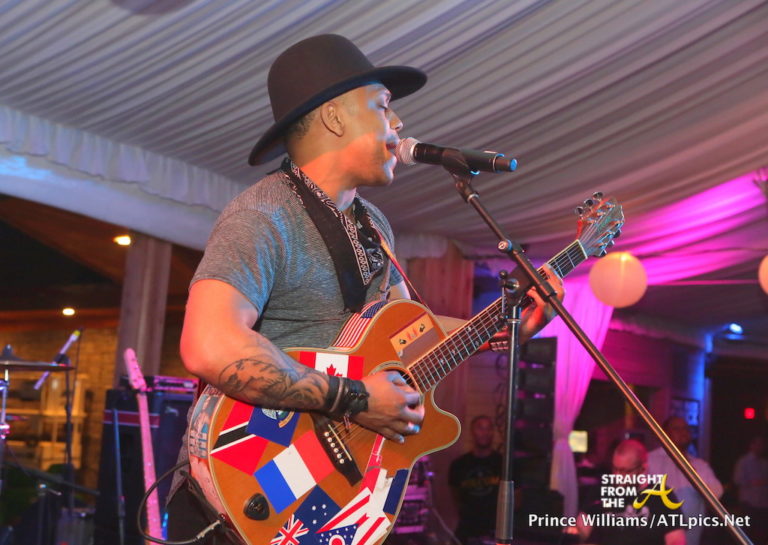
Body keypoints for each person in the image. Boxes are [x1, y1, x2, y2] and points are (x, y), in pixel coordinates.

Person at [166, 34, 563, 544]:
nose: (397, 122)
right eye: (382, 105)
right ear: (334, 117)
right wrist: (355, 398)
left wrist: (504, 328)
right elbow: (208, 344)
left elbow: (411, 335)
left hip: (339, 498)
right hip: (251, 488)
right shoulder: (262, 216)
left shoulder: (373, 224)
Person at [577, 439, 685, 545]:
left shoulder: (663, 496)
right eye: (615, 469)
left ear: (643, 469)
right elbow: (580, 530)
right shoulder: (601, 492)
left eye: (624, 471)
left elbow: (676, 540)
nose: (617, 476)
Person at [647, 417, 723, 545]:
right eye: (677, 429)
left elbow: (717, 492)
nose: (683, 432)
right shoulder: (650, 460)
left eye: (686, 429)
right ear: (664, 433)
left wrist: (694, 473)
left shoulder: (699, 465)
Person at [448, 415, 502, 545]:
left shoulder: (503, 464)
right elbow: (455, 497)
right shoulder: (459, 465)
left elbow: (516, 500)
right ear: (472, 432)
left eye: (488, 429)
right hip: (467, 529)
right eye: (480, 428)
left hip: (495, 530)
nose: (485, 433)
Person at [733, 435, 768, 543]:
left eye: (762, 445)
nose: (761, 447)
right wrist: (755, 482)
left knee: (761, 535)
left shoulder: (765, 463)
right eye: (758, 444)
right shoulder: (743, 462)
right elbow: (737, 480)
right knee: (747, 535)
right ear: (752, 445)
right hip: (749, 504)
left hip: (763, 505)